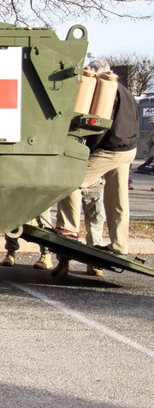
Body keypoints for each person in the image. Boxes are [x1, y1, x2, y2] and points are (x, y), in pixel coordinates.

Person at [53, 59, 139, 275]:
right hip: (129, 149)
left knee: (71, 182)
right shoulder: (126, 92)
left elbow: (99, 125)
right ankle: (120, 245)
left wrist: (87, 150)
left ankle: (69, 229)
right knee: (117, 198)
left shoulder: (106, 91)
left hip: (109, 149)